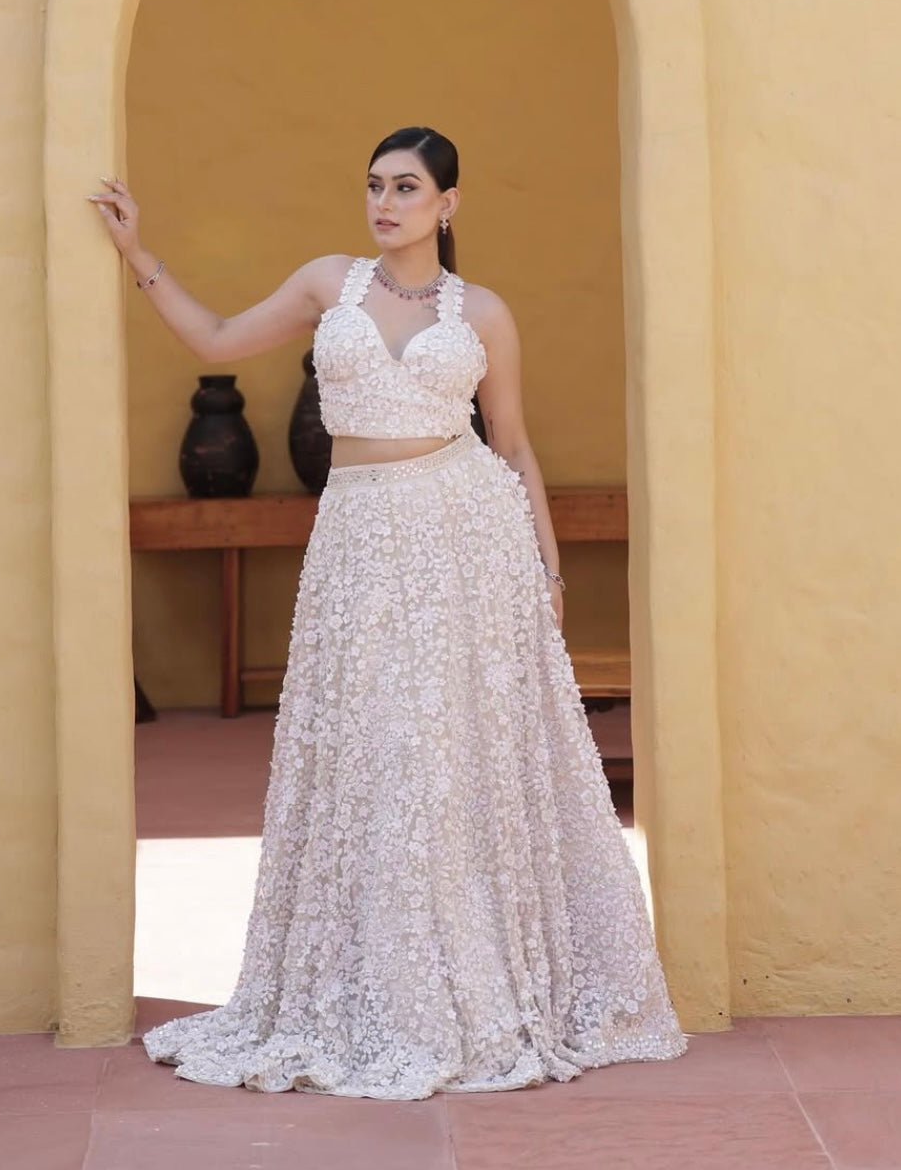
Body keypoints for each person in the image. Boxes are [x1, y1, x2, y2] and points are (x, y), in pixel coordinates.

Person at [87, 125, 689, 1099]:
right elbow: (217, 338)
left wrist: (547, 564)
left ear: (448, 203)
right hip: (361, 538)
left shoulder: (483, 311)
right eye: (375, 184)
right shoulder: (331, 281)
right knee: (373, 750)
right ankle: (379, 985)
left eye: (407, 186)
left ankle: (468, 984)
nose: (386, 201)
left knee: (444, 754)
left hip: (464, 535)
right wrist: (137, 254)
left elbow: (516, 444)